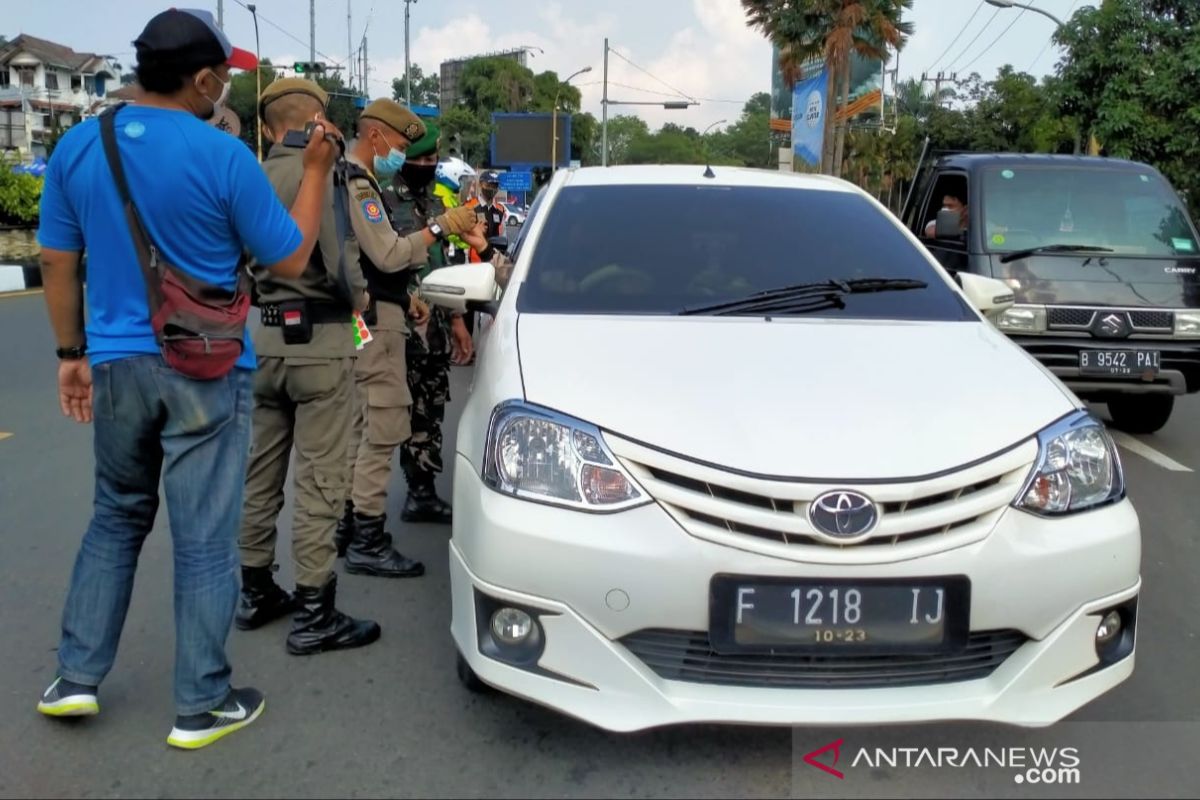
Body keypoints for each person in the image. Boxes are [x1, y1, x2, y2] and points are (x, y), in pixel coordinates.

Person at [36, 8, 337, 749]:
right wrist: (318, 174)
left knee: (115, 515)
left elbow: (55, 261)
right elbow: (291, 258)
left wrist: (70, 354)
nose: (224, 90)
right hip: (204, 366)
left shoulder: (79, 145)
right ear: (202, 79)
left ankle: (75, 680)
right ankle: (200, 704)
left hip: (113, 365)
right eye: (223, 79)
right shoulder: (220, 154)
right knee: (204, 539)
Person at [236, 78, 382, 655]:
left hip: (263, 337)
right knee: (321, 480)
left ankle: (254, 591)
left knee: (261, 474)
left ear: (267, 124)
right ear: (318, 119)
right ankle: (315, 610)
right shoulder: (326, 172)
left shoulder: (247, 174)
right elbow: (342, 264)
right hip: (321, 339)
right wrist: (364, 305)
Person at [333, 100, 478, 571]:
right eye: (402, 146)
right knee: (382, 428)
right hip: (379, 322)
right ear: (376, 137)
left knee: (393, 420)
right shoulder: (363, 185)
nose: (410, 157)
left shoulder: (353, 180)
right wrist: (440, 226)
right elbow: (391, 256)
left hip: (397, 314)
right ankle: (363, 538)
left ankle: (354, 524)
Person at [384, 122, 491, 524]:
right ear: (402, 158)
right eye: (421, 159)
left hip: (433, 331)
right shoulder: (378, 200)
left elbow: (442, 267)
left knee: (428, 412)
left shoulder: (434, 206)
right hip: (392, 327)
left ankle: (421, 493)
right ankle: (355, 517)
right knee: (381, 419)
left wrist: (458, 322)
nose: (428, 166)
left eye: (433, 159)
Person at [476, 170, 508, 240]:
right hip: (474, 250)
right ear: (480, 184)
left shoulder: (500, 210)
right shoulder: (470, 206)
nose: (492, 189)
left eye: (495, 186)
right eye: (489, 185)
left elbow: (503, 236)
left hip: (493, 250)